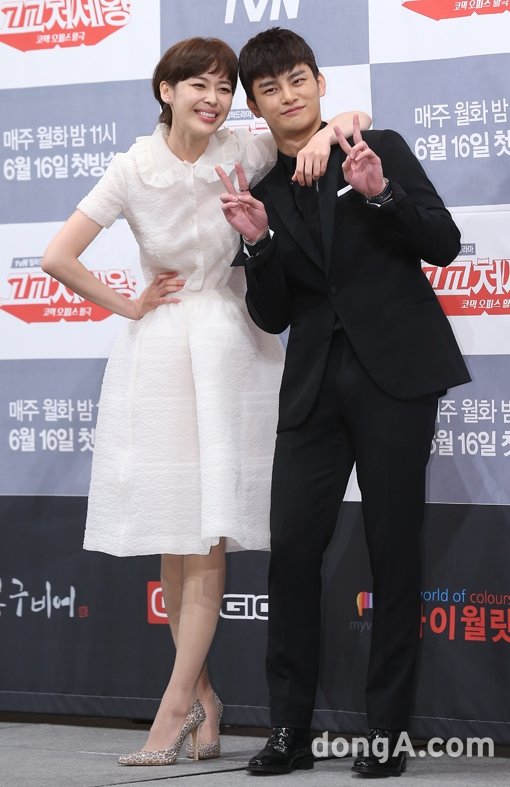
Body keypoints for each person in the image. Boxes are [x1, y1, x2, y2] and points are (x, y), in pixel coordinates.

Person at [41, 36, 369, 767]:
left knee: (208, 533)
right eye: (199, 85)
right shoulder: (132, 167)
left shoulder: (246, 149)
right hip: (159, 353)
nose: (214, 99)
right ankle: (205, 699)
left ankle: (173, 708)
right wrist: (128, 304)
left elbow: (331, 124)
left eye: (224, 87)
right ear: (166, 90)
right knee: (175, 533)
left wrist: (339, 126)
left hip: (231, 349)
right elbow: (58, 256)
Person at [217, 27, 471, 778]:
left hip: (396, 377)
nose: (289, 96)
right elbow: (272, 315)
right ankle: (289, 730)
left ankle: (386, 733)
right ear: (257, 104)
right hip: (313, 390)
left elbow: (443, 243)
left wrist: (381, 194)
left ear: (320, 82)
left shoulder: (374, 146)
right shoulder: (261, 191)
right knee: (293, 552)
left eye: (298, 79)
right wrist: (259, 246)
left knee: (394, 552)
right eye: (270, 89)